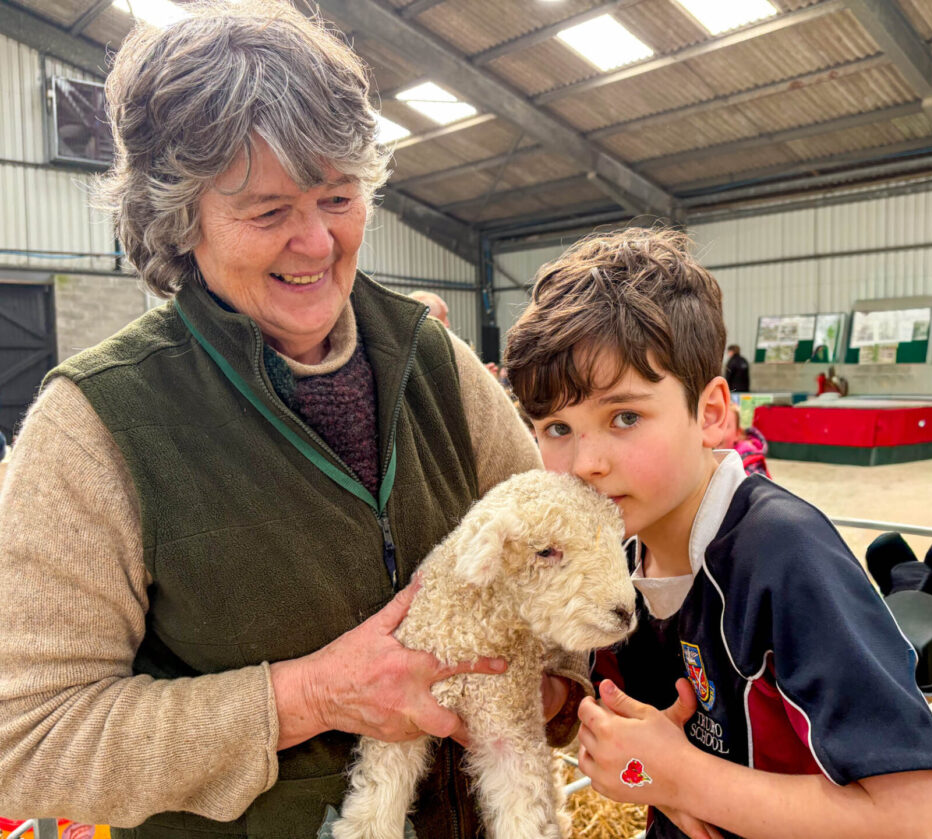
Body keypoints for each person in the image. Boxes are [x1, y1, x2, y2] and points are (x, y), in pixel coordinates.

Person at [0, 3, 585, 838]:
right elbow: (28, 739)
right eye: (268, 211)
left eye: (337, 197)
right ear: (181, 219)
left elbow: (555, 568)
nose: (316, 242)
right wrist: (307, 696)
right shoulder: (96, 426)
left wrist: (552, 685)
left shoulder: (437, 365)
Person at [503, 228, 932, 839]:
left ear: (711, 413)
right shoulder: (616, 556)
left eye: (625, 416)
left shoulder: (784, 556)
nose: (585, 463)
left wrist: (682, 780)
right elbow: (628, 731)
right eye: (556, 428)